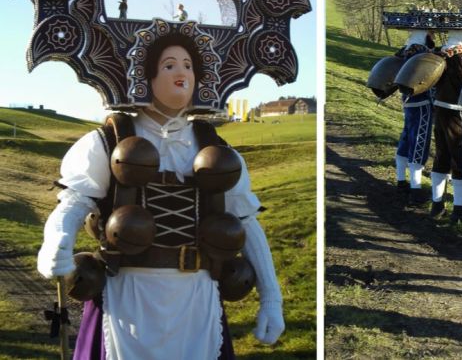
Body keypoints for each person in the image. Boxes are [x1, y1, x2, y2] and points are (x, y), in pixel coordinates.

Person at [36, 33, 284, 359]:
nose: (182, 73)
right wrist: (56, 240)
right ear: (147, 75)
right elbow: (74, 201)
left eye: (188, 65)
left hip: (197, 299)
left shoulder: (219, 151)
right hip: (126, 297)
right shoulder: (107, 141)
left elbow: (245, 221)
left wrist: (271, 298)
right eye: (169, 65)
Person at [429, 30, 462, 222]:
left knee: (442, 155)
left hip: (440, 109)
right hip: (459, 112)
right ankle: (459, 209)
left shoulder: (438, 54)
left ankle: (437, 204)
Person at [394, 29, 435, 206]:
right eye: (431, 33)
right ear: (426, 34)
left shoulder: (405, 51)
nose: (433, 37)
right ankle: (415, 189)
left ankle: (401, 180)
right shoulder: (423, 55)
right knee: (419, 141)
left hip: (408, 103)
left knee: (406, 138)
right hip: (422, 103)